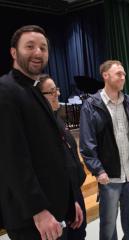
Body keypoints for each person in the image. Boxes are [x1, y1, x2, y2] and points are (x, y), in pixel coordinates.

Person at [0, 25, 77, 240]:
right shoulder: (6, 92)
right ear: (14, 53)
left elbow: (54, 153)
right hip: (32, 219)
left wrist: (71, 201)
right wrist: (39, 212)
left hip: (54, 210)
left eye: (43, 48)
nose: (38, 52)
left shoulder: (33, 89)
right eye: (30, 47)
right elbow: (13, 160)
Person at [79, 60, 129, 240]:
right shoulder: (91, 105)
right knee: (108, 222)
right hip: (109, 176)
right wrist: (98, 170)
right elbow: (87, 145)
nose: (123, 77)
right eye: (119, 74)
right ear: (106, 76)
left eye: (124, 74)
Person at [38, 74, 87, 240]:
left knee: (80, 234)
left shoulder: (57, 119)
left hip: (74, 193)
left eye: (56, 89)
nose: (57, 94)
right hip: (60, 199)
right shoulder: (38, 128)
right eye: (51, 92)